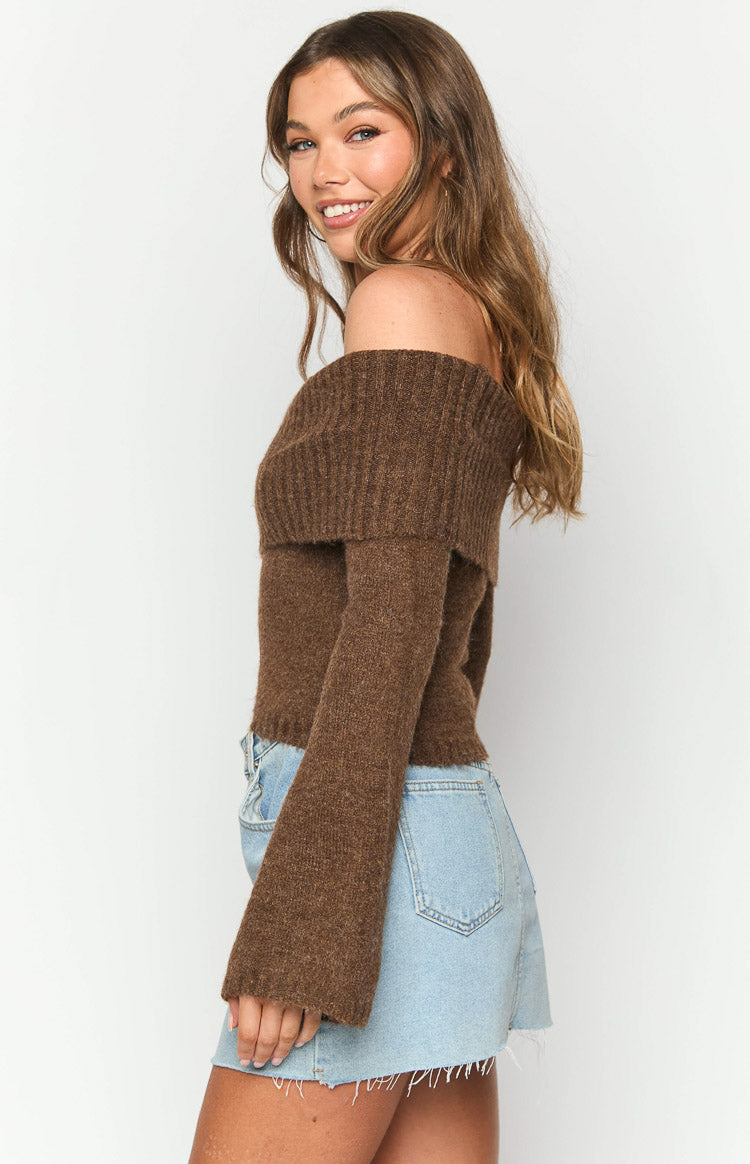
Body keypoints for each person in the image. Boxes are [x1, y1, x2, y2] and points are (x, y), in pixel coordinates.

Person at [190, 10, 583, 1162]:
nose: (325, 171)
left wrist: (306, 930)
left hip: (374, 847)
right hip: (435, 831)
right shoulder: (469, 316)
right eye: (300, 142)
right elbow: (461, 634)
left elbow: (396, 626)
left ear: (445, 146)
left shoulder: (400, 304)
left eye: (362, 131)